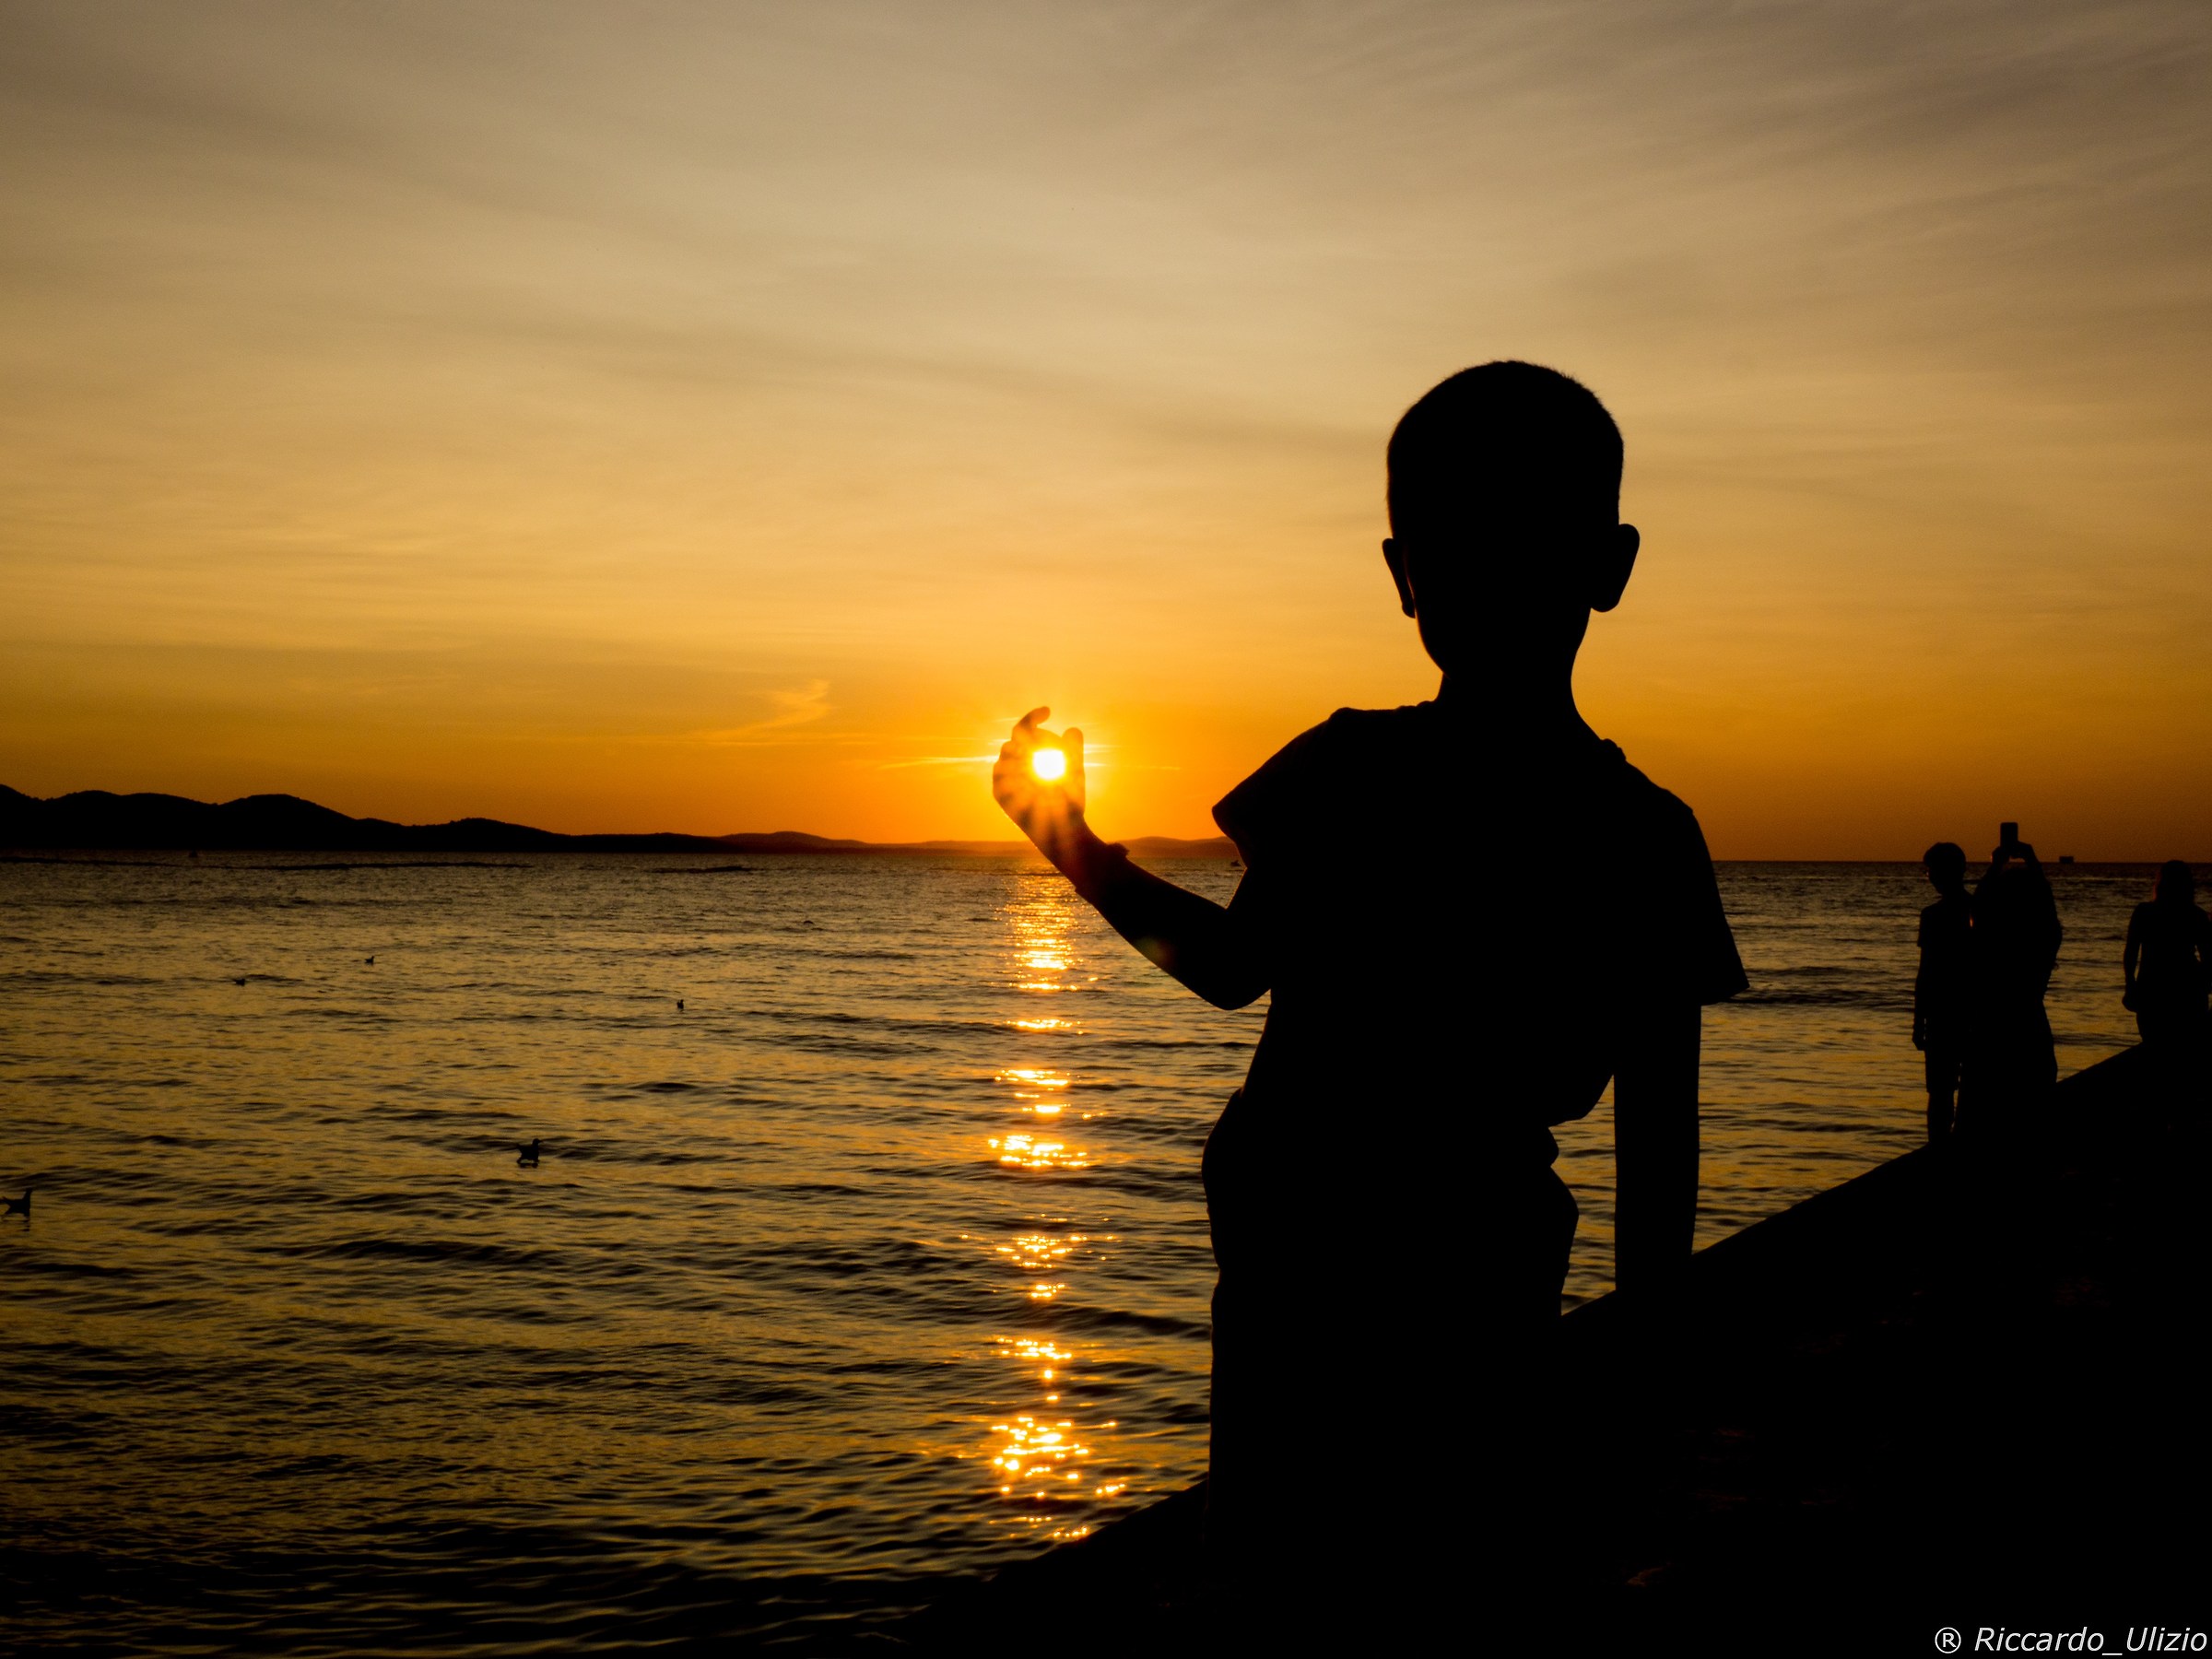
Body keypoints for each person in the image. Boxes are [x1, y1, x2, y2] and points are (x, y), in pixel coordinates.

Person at [990, 361, 1746, 1633]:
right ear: (1612, 565)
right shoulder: (1642, 830)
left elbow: (1231, 972)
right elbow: (1656, 1147)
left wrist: (1073, 849)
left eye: (1505, 541)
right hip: (1451, 1272)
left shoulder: (1348, 774)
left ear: (1402, 577)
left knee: (1306, 1587)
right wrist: (1640, 1383)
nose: (1483, 574)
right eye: (1470, 544)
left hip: (1330, 1283)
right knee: (1439, 1580)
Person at [1957, 834, 2062, 1137]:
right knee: (2032, 1115)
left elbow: (1978, 909)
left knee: (1976, 1118)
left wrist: (1996, 866)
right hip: (2030, 1028)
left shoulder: (1988, 941)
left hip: (1989, 1030)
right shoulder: (2041, 943)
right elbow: (2048, 911)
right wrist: (2034, 865)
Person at [1912, 841, 1973, 1144]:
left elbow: (1926, 973)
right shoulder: (1980, 910)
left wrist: (1918, 1021)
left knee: (1940, 1092)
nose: (1929, 876)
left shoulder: (1933, 916)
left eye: (1930, 870)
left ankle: (1938, 1148)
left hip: (1943, 1012)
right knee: (1970, 1087)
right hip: (1972, 1010)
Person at [2123, 860, 2211, 1050]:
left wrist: (2130, 984)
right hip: (2188, 992)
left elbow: (2131, 953)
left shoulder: (2144, 912)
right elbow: (2208, 960)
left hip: (2152, 991)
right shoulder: (2196, 915)